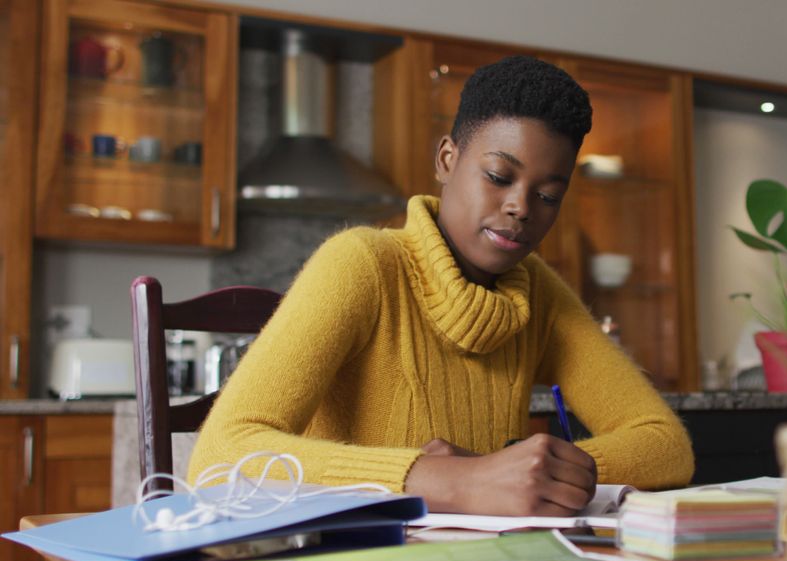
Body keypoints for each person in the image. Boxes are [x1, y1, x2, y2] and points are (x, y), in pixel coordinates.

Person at [189, 55, 694, 516]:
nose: (521, 207)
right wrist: (451, 479)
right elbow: (219, 455)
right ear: (447, 160)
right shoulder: (362, 265)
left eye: (547, 195)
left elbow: (664, 443)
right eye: (499, 176)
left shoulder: (536, 293)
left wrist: (524, 473)